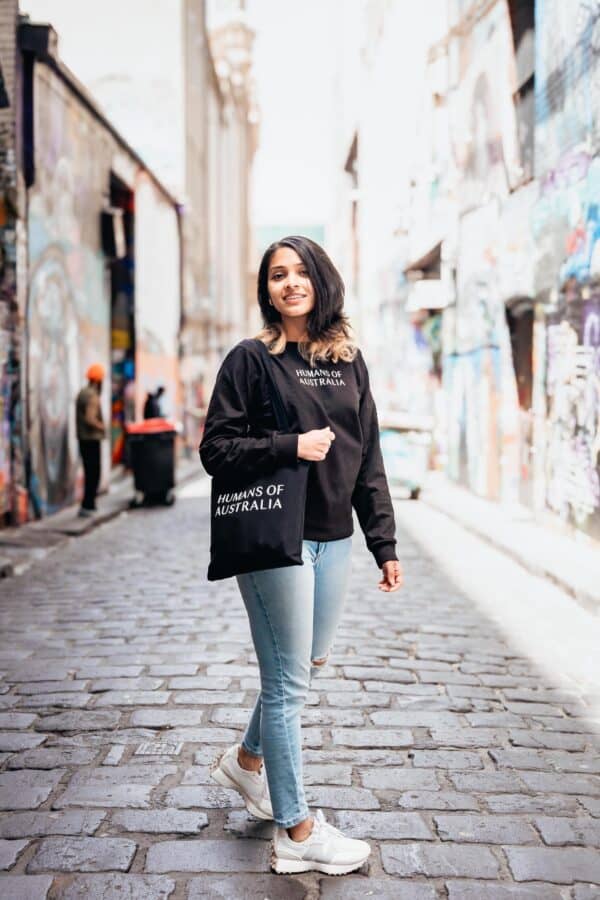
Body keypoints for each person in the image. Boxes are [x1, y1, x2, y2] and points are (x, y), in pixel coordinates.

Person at [199, 235, 403, 876]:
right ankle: (295, 830)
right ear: (267, 291)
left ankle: (247, 763)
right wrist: (289, 446)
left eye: (299, 272)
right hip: (276, 539)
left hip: (334, 539)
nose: (289, 283)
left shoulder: (350, 362)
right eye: (276, 275)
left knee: (307, 665)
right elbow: (215, 450)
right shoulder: (251, 360)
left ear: (321, 280)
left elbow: (368, 457)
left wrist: (383, 543)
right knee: (287, 684)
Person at [75, 363, 106, 517]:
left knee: (89, 471)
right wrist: (103, 427)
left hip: (83, 439)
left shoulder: (82, 392)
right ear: (98, 381)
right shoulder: (92, 395)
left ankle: (87, 505)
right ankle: (89, 505)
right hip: (91, 439)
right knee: (94, 473)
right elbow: (90, 418)